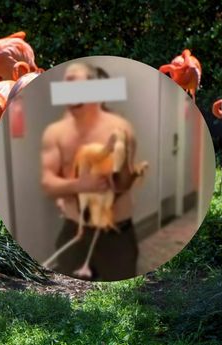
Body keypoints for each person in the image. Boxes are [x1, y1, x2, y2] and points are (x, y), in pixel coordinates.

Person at [40, 62, 141, 281]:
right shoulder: (56, 132)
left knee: (119, 303)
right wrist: (78, 186)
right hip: (74, 231)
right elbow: (48, 183)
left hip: (117, 237)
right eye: (67, 84)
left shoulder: (122, 128)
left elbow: (124, 184)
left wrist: (123, 170)